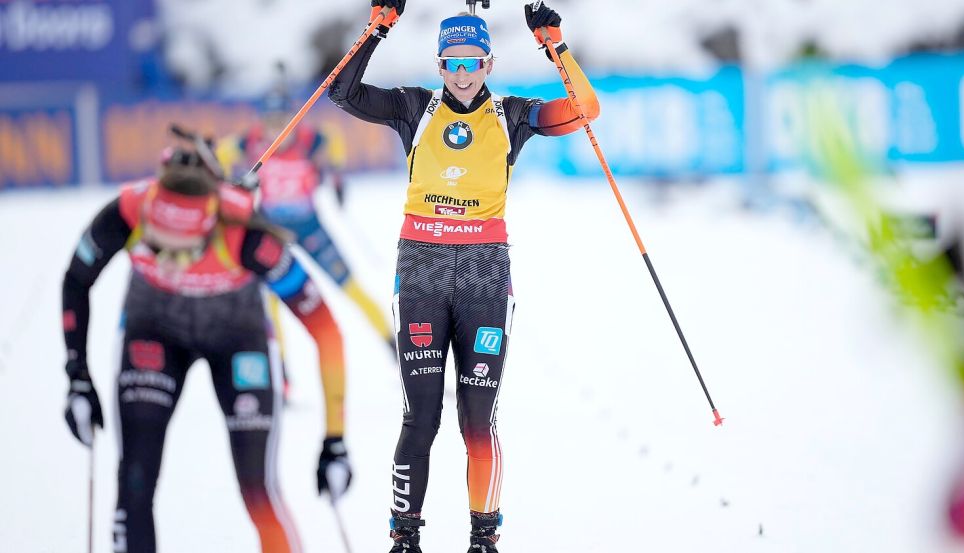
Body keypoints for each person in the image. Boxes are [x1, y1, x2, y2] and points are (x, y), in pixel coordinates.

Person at [328, 2, 600, 551]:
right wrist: (378, 27)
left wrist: (554, 44)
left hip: (484, 278)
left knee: (478, 420)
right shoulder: (414, 108)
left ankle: (484, 538)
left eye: (472, 61)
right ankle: (404, 537)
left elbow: (585, 110)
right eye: (452, 62)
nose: (462, 72)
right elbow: (344, 92)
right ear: (440, 64)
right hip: (422, 271)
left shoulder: (511, 116)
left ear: (489, 63)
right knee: (421, 418)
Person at [61, 141, 353, 553]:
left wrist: (335, 439)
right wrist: (77, 374)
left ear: (210, 227)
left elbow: (326, 331)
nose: (170, 262)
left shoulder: (246, 233)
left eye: (184, 250)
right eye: (156, 246)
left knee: (259, 486)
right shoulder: (128, 210)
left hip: (238, 337)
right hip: (153, 332)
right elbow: (76, 280)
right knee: (134, 482)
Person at [217, 88, 396, 356]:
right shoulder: (251, 143)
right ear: (260, 121)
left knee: (350, 286)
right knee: (272, 301)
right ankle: (282, 369)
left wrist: (336, 173)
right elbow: (221, 153)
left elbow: (333, 139)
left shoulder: (308, 140)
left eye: (283, 120)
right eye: (270, 121)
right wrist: (234, 185)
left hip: (310, 226)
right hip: (272, 230)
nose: (277, 128)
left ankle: (392, 346)